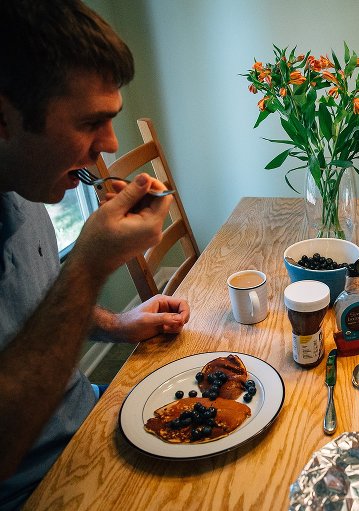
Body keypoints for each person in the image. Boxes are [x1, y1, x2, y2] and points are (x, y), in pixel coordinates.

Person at [0, 1, 191, 508]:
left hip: (91, 418)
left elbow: (32, 309)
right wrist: (88, 266)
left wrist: (115, 324)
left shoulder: (24, 182)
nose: (107, 143)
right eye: (91, 122)